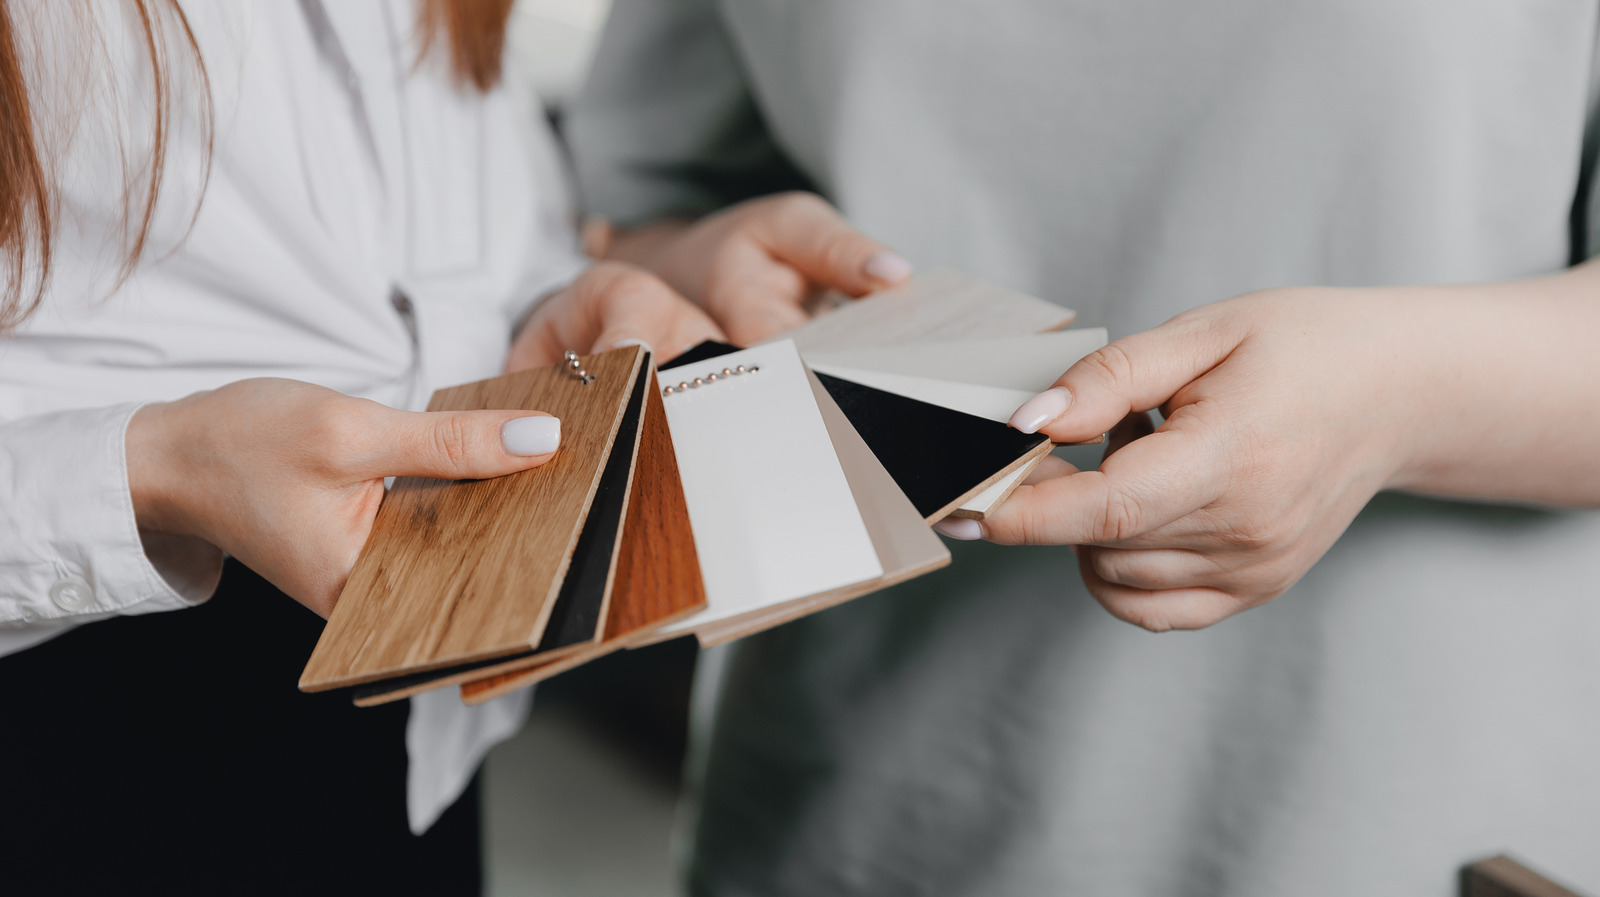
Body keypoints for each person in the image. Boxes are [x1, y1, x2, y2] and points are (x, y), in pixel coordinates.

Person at [566, 1, 1600, 895]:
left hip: (1387, 816)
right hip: (852, 803)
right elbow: (636, 207)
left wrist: (1391, 398)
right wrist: (698, 270)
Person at [0, 2, 901, 893]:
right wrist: (154, 468)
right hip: (77, 660)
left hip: (414, 668)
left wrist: (605, 283)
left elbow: (452, 199)